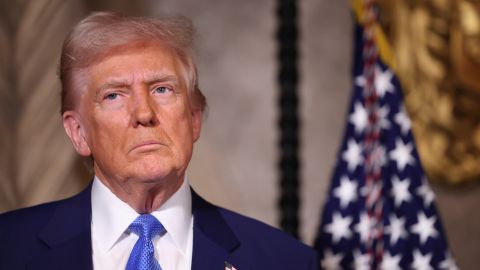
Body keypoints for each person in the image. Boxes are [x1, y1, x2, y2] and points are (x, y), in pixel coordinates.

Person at [0, 11, 318, 270]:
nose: (144, 113)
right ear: (79, 133)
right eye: (113, 95)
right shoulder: (9, 248)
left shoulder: (283, 261)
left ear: (194, 118)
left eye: (162, 89)